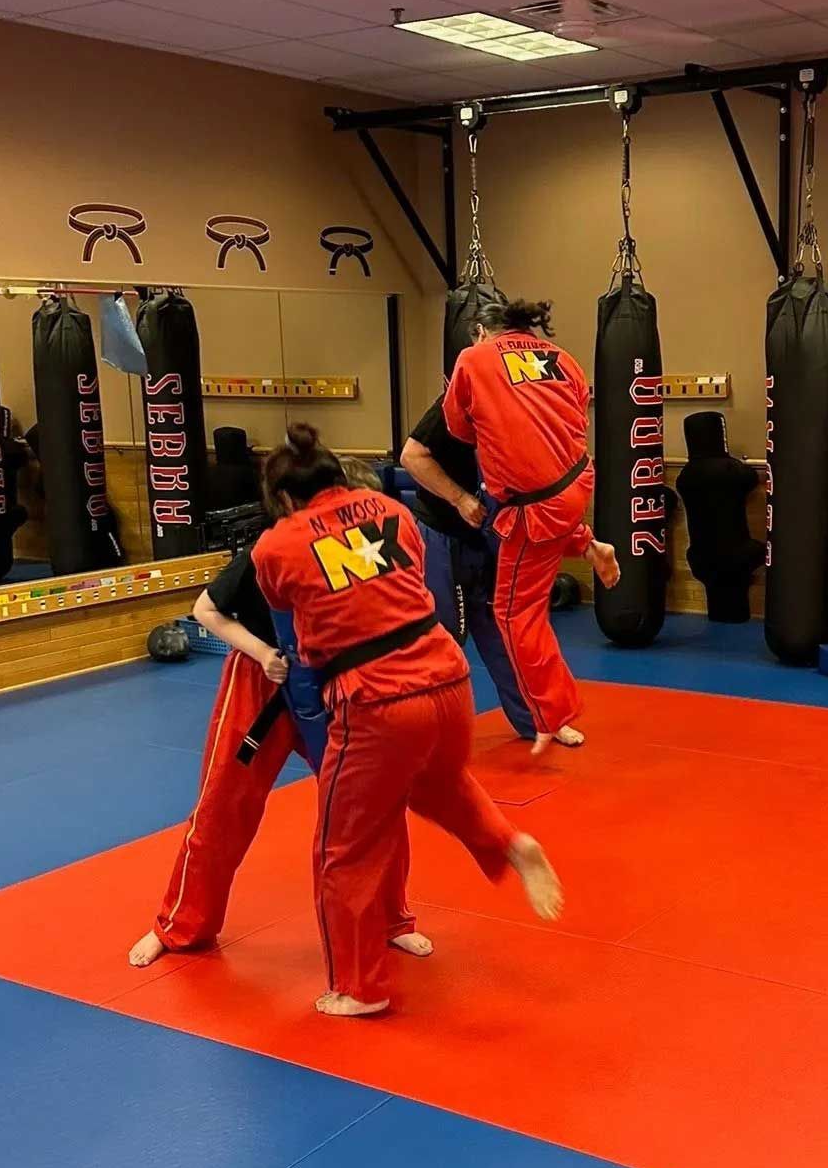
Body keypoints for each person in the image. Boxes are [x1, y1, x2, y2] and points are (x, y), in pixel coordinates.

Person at [253, 423, 562, 1018]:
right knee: (439, 784)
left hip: (377, 699)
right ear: (338, 476)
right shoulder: (390, 509)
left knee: (342, 848)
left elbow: (287, 611)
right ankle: (507, 841)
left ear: (286, 498)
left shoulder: (277, 544)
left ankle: (358, 987)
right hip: (447, 678)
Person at [128, 469, 426, 969]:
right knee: (223, 804)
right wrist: (264, 652)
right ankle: (181, 923)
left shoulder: (367, 547)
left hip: (335, 686)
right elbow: (206, 610)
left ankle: (389, 918)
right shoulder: (275, 548)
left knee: (373, 804)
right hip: (261, 682)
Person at [443, 297, 620, 756]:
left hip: (535, 505)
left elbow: (458, 427)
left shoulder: (473, 358)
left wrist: (494, 421)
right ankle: (588, 544)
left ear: (483, 332)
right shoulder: (563, 359)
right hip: (575, 481)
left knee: (511, 612)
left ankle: (550, 713)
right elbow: (577, 414)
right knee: (524, 524)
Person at [401, 396, 539, 743]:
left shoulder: (515, 403)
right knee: (443, 636)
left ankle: (534, 721)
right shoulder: (452, 405)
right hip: (443, 536)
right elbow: (411, 456)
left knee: (500, 631)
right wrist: (459, 498)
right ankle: (425, 731)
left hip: (486, 538)